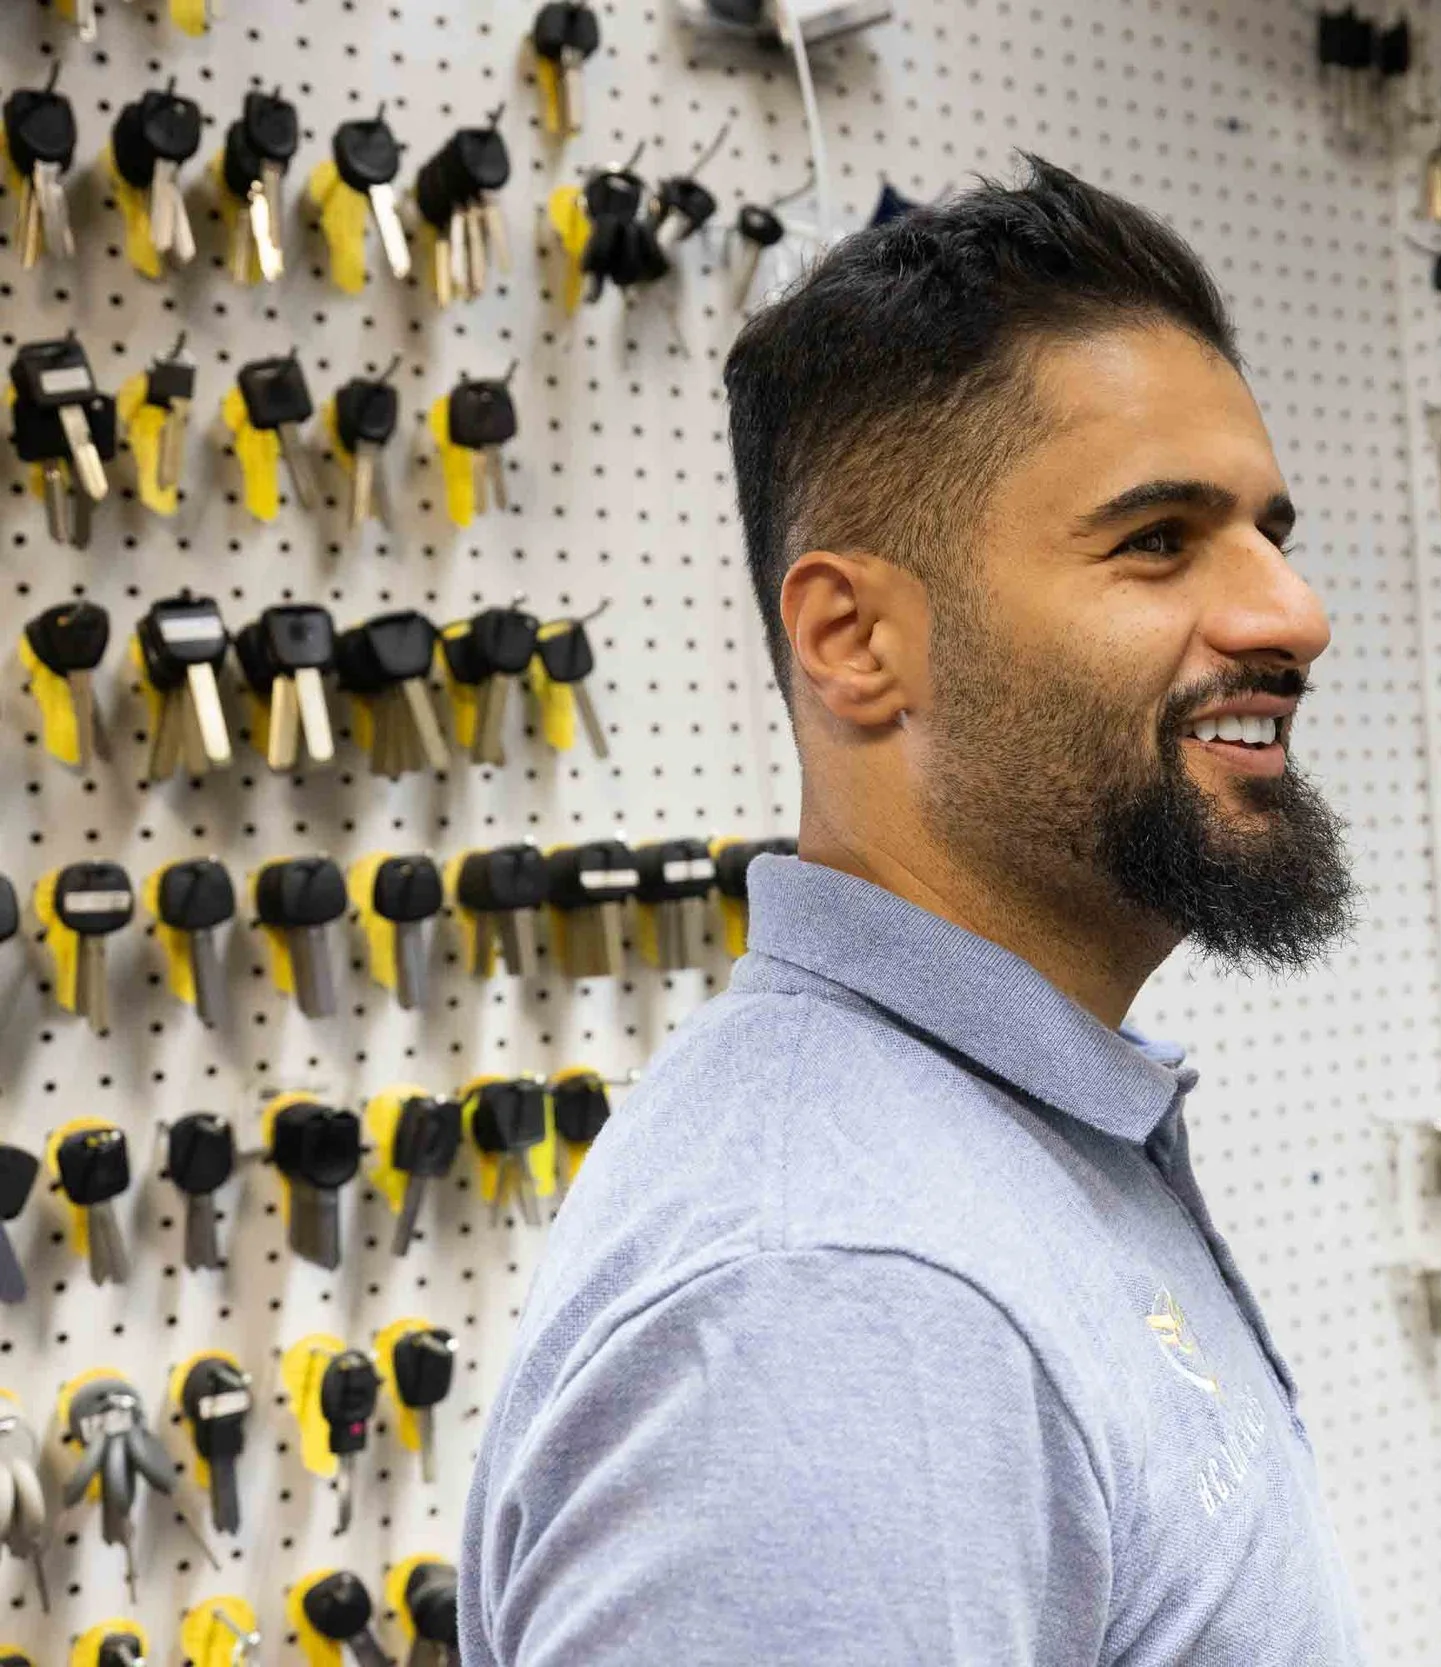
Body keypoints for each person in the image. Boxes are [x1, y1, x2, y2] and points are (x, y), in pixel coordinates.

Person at [460, 155, 1370, 1666]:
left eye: (1272, 533)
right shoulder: (837, 1308)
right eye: (1160, 538)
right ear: (855, 639)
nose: (1292, 613)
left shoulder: (983, 1153)